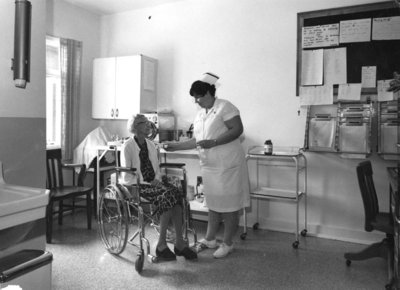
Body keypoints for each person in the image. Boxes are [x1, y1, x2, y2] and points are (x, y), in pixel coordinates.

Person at [165, 72, 250, 258]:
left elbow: (237, 129)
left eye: (199, 97)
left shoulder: (225, 107)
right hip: (210, 166)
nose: (196, 101)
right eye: (194, 97)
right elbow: (197, 140)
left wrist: (215, 142)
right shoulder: (200, 114)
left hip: (228, 165)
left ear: (209, 94)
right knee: (212, 203)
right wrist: (174, 147)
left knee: (229, 205)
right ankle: (210, 239)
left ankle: (228, 243)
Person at [120, 114, 197, 261]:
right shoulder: (127, 146)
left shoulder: (151, 145)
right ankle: (162, 245)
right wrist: (148, 182)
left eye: (148, 122)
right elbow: (126, 175)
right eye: (144, 123)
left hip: (153, 184)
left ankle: (179, 242)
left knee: (177, 192)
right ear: (135, 127)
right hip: (136, 186)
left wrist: (157, 181)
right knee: (168, 195)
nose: (149, 125)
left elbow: (156, 169)